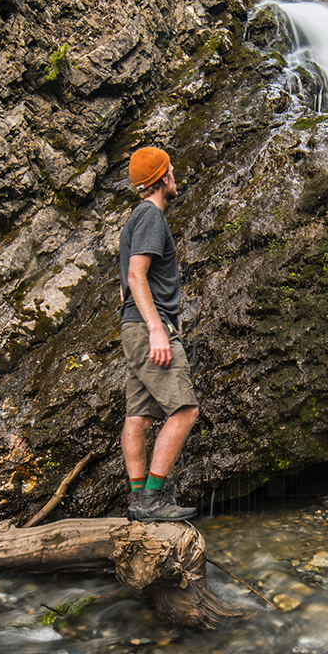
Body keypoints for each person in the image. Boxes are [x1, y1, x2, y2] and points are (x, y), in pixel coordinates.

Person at [119, 146, 199, 522]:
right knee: (185, 411)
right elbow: (137, 276)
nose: (176, 176)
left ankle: (137, 500)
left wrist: (135, 324)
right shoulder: (152, 216)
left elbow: (124, 286)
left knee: (138, 417)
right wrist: (156, 329)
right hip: (150, 327)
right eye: (172, 170)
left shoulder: (134, 218)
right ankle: (151, 499)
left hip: (131, 326)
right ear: (163, 178)